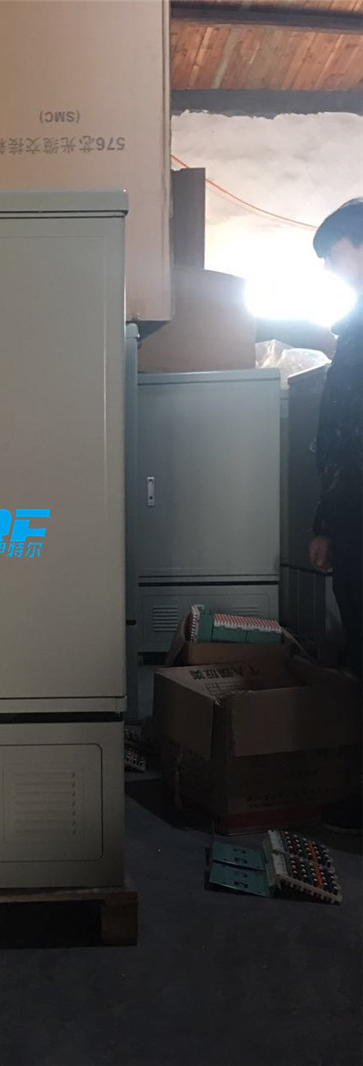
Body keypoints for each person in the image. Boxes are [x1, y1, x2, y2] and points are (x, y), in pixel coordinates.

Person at [308, 197, 363, 833]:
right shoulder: (353, 329)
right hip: (352, 519)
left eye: (332, 254)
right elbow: (343, 438)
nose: (329, 267)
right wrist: (327, 523)